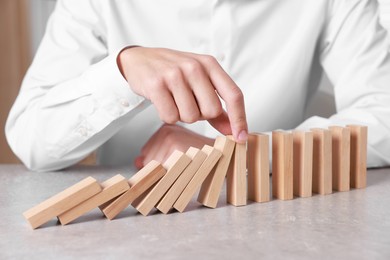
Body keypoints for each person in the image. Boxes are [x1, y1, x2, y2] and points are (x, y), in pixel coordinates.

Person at [6, 0, 390, 171]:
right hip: (126, 229)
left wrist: (244, 156)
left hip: (273, 223)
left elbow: (384, 116)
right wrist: (121, 74)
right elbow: (30, 138)